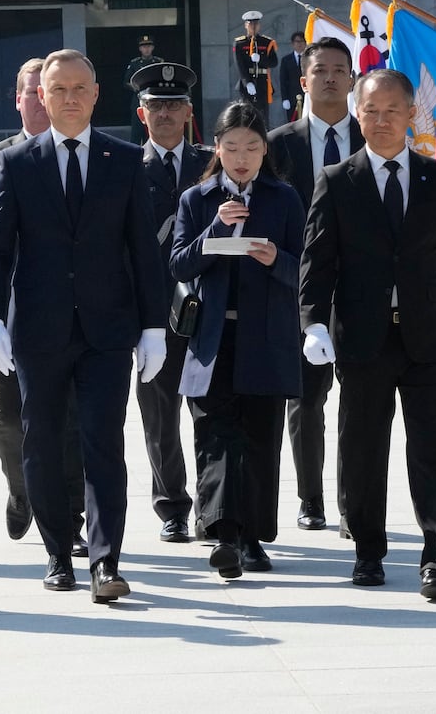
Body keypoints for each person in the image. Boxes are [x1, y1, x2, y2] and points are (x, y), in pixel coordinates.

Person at [0, 49, 166, 604]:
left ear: (97, 92)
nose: (69, 98)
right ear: (42, 97)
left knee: (103, 442)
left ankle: (106, 560)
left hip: (108, 329)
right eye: (57, 90)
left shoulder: (125, 159)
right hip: (39, 328)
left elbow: (142, 250)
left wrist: (153, 326)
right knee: (41, 443)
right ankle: (59, 552)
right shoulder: (18, 163)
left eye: (79, 88)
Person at [300, 68, 436, 602]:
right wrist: (312, 320)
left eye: (391, 111)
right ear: (358, 115)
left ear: (412, 115)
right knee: (362, 448)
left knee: (430, 451)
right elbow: (318, 260)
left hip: (426, 337)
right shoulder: (337, 180)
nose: (381, 121)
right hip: (363, 338)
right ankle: (368, 552)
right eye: (371, 111)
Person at [171, 100, 304, 577]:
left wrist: (275, 260)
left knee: (260, 437)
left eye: (251, 146)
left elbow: (304, 267)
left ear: (265, 149)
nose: (241, 157)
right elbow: (180, 263)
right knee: (215, 434)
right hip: (212, 336)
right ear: (217, 149)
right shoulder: (198, 198)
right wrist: (216, 228)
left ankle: (253, 537)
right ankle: (222, 533)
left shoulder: (283, 198)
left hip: (266, 335)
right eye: (231, 147)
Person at [0, 58, 85, 550]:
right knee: (11, 412)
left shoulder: (80, 154)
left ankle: (71, 521)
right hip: (13, 314)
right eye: (31, 93)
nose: (39, 100)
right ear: (19, 100)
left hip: (73, 311)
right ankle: (21, 489)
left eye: (46, 91)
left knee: (72, 418)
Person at [266, 36, 360, 532]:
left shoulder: (375, 136)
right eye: (319, 70)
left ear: (352, 79)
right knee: (304, 402)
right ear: (302, 82)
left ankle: (352, 503)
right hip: (297, 292)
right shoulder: (278, 145)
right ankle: (311, 498)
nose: (329, 77)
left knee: (361, 402)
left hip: (362, 291)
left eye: (338, 70)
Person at [131, 61, 210, 543]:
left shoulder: (211, 162)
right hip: (153, 312)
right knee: (159, 417)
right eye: (155, 106)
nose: (164, 114)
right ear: (142, 115)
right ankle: (172, 506)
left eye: (173, 105)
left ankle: (213, 502)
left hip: (207, 307)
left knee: (211, 412)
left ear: (187, 111)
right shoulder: (123, 166)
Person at [233, 11, 278, 113]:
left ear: (259, 26)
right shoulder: (239, 43)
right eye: (250, 24)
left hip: (263, 81)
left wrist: (261, 59)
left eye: (256, 24)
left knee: (263, 114)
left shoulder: (267, 42)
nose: (253, 26)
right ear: (246, 25)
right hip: (247, 83)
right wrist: (247, 82)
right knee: (247, 114)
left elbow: (274, 62)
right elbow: (239, 65)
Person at [123, 36, 162, 142]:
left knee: (152, 132)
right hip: (139, 100)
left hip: (154, 101)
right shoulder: (135, 63)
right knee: (136, 133)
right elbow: (126, 82)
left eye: (149, 46)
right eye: (144, 47)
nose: (146, 49)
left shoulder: (158, 62)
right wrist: (137, 88)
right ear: (140, 49)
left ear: (152, 47)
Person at [278, 31, 307, 122]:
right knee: (292, 123)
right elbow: (283, 80)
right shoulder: (286, 60)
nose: (299, 44)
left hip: (306, 96)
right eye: (297, 41)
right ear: (293, 43)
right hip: (291, 97)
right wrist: (285, 98)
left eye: (302, 41)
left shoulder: (309, 59)